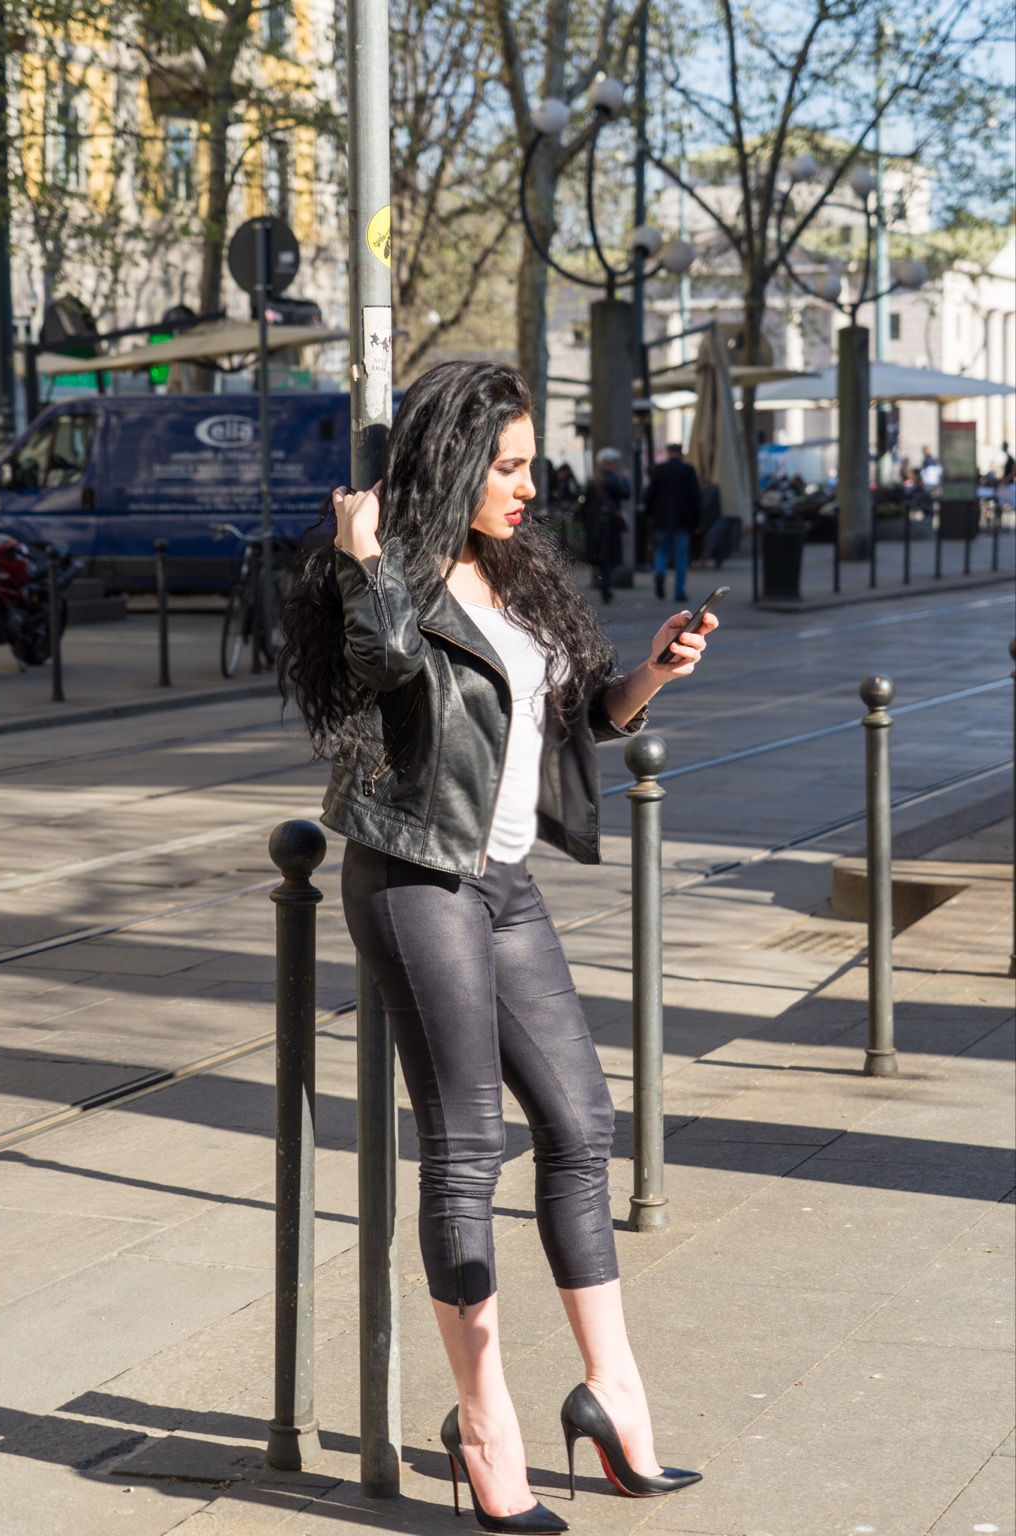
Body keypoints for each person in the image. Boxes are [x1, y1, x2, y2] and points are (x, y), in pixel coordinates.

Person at [279, 361, 714, 1534]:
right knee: (467, 1146)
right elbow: (381, 672)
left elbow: (560, 722)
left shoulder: (516, 576)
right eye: (508, 467)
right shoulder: (389, 575)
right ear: (455, 461)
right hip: (420, 876)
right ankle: (484, 1427)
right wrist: (368, 558)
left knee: (581, 1127)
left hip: (505, 881)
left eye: (531, 465)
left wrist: (646, 680)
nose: (529, 486)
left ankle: (613, 1397)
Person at [644, 443, 702, 602]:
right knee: (681, 556)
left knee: (661, 550)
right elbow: (696, 497)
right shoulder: (688, 470)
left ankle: (660, 573)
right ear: (681, 454)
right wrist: (697, 521)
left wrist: (649, 515)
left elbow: (649, 495)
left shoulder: (659, 470)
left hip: (661, 519)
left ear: (668, 453)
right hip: (683, 520)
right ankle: (679, 592)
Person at [581, 447, 629, 602]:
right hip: (611, 524)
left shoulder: (594, 480)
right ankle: (603, 583)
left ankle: (603, 584)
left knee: (601, 557)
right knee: (612, 557)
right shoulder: (614, 479)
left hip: (595, 524)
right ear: (610, 463)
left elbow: (585, 504)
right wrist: (625, 480)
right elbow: (626, 494)